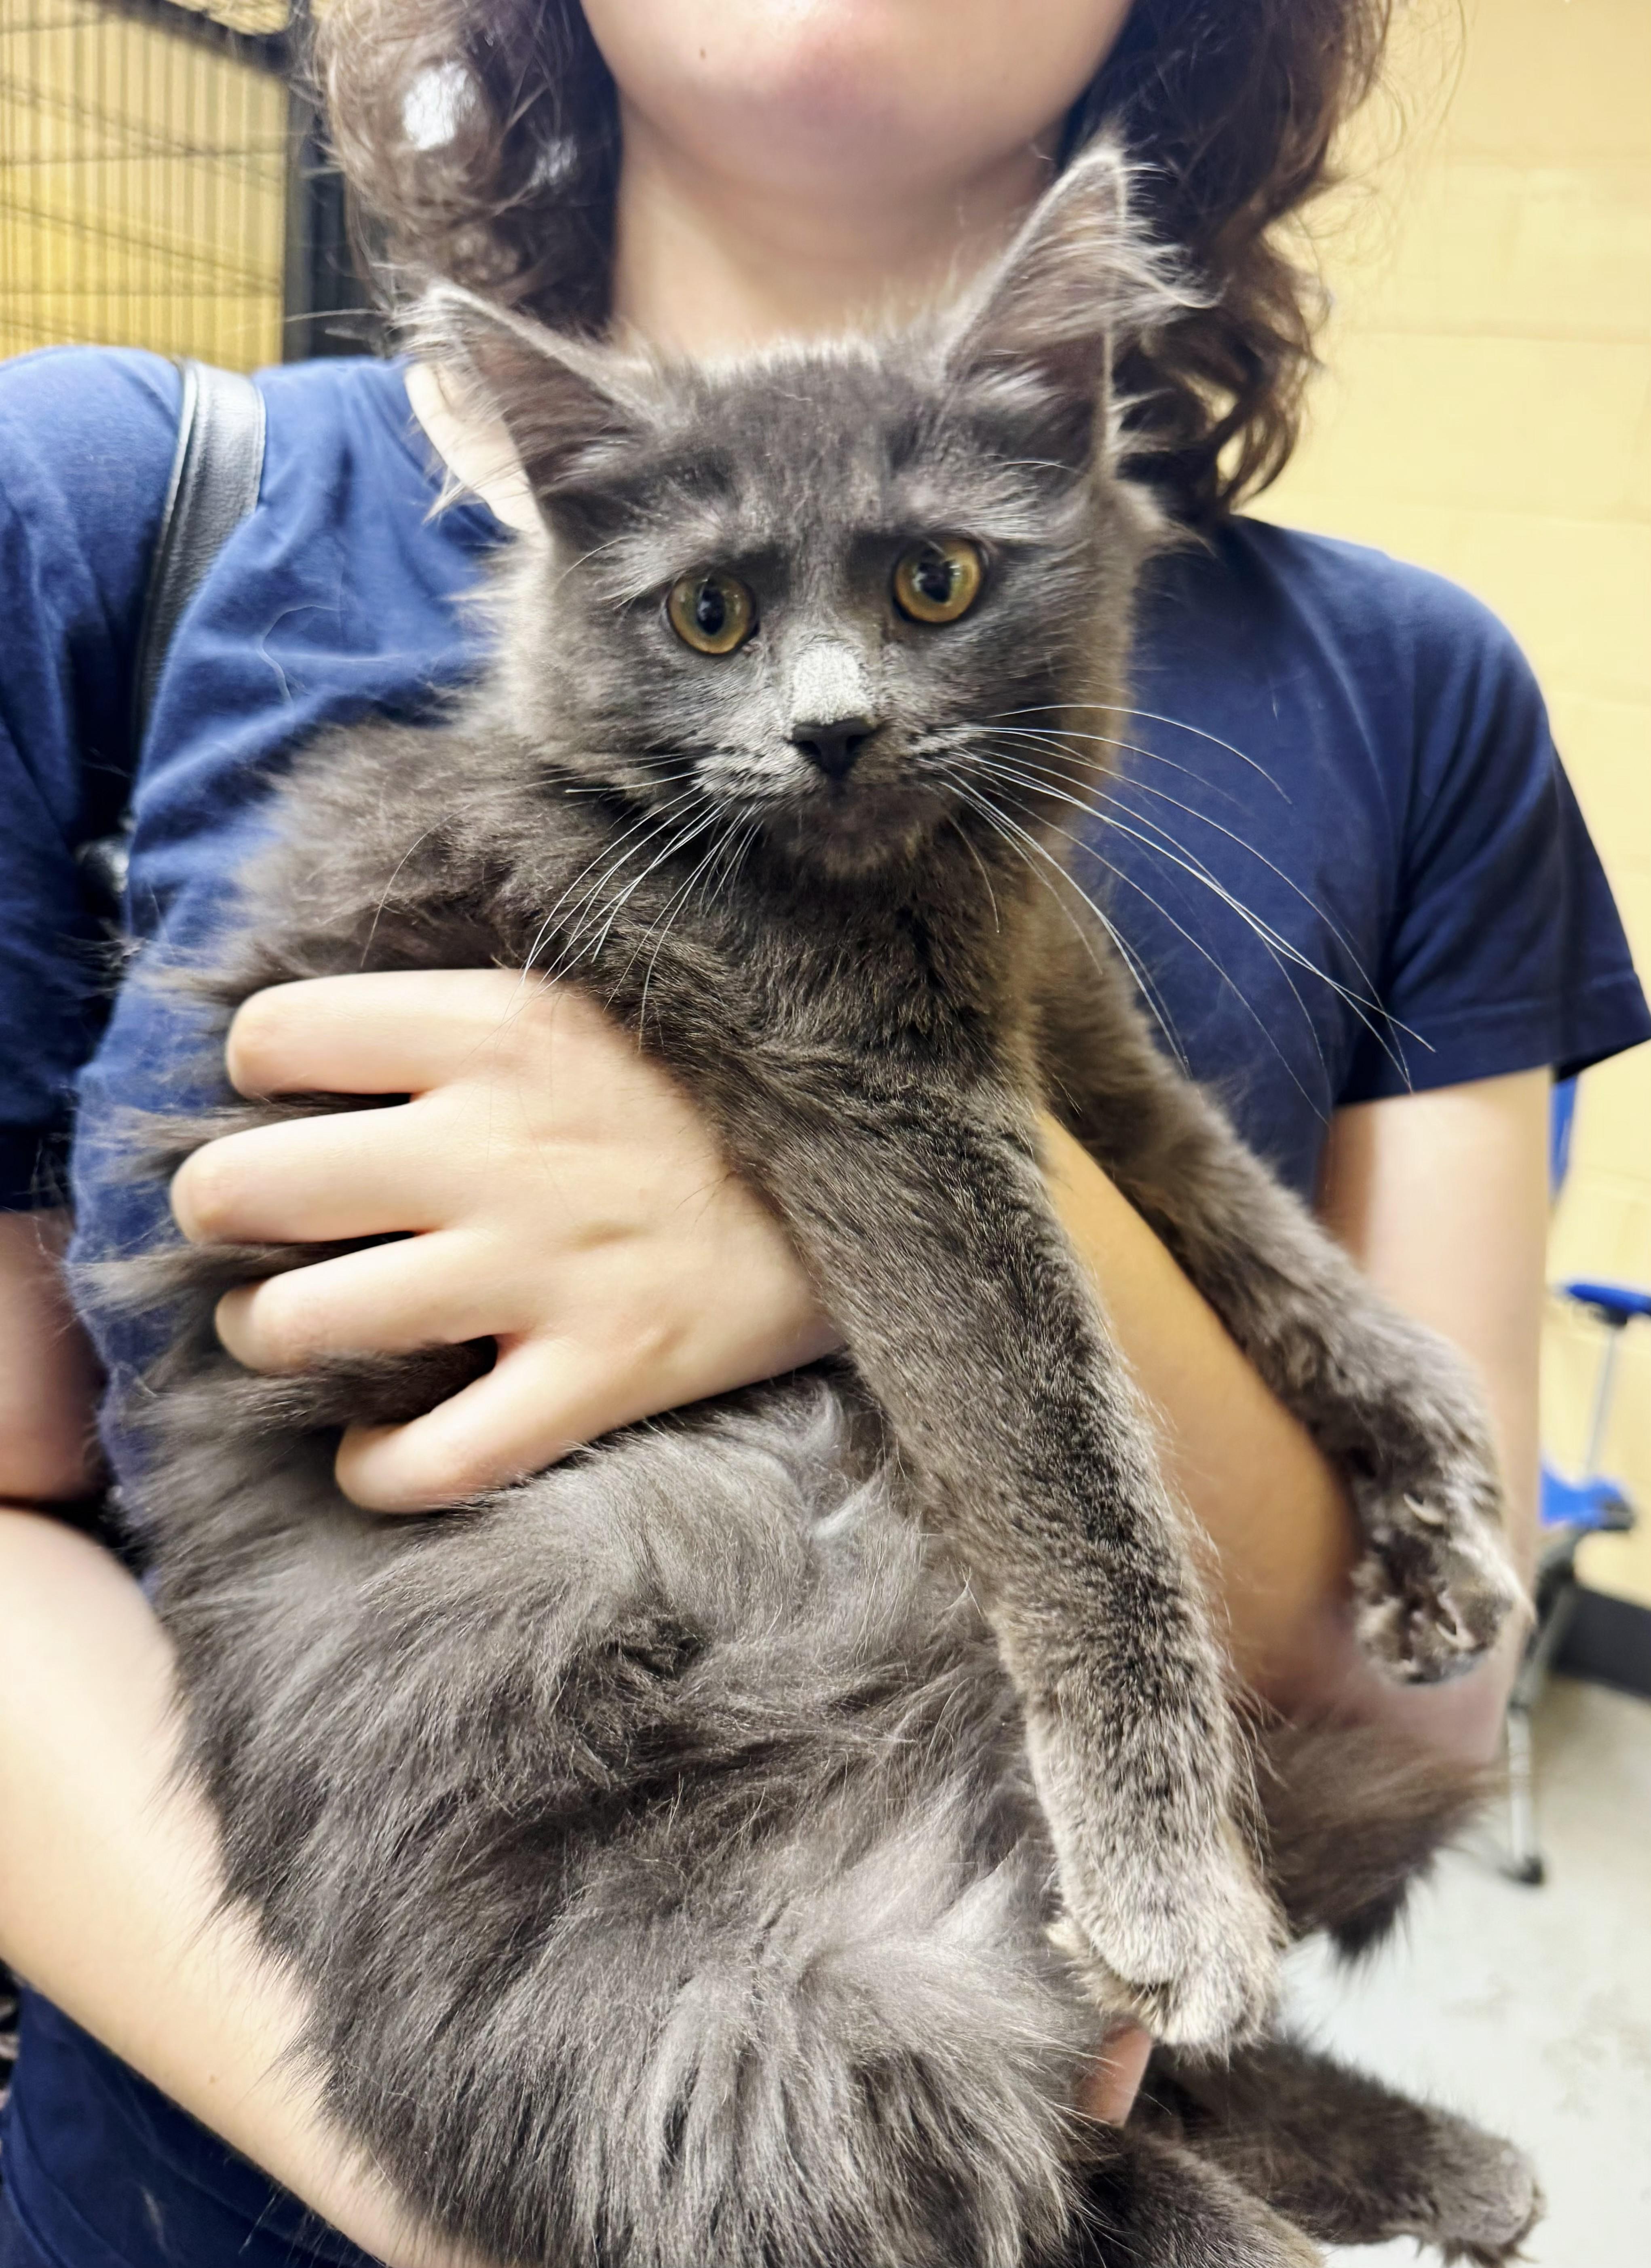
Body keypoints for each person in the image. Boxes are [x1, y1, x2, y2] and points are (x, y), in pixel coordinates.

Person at [0, 2, 1645, 2262]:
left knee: (1225, 1856)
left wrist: (785, 1222)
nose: (836, 704)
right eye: (702, 614)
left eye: (932, 584)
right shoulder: (104, 508)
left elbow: (1418, 1690)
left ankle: (1105, 2123)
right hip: (469, 1923)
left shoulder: (1413, 698)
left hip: (953, 1830)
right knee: (820, 2030)